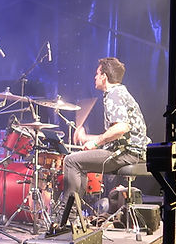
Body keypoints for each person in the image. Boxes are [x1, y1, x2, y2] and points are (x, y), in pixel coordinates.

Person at [61, 57, 149, 220]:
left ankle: (69, 217)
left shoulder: (113, 94)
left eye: (97, 74)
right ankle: (76, 216)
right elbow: (119, 134)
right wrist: (87, 138)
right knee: (80, 164)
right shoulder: (121, 92)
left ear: (104, 76)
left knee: (70, 161)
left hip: (126, 154)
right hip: (131, 151)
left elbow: (121, 128)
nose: (94, 77)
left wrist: (96, 142)